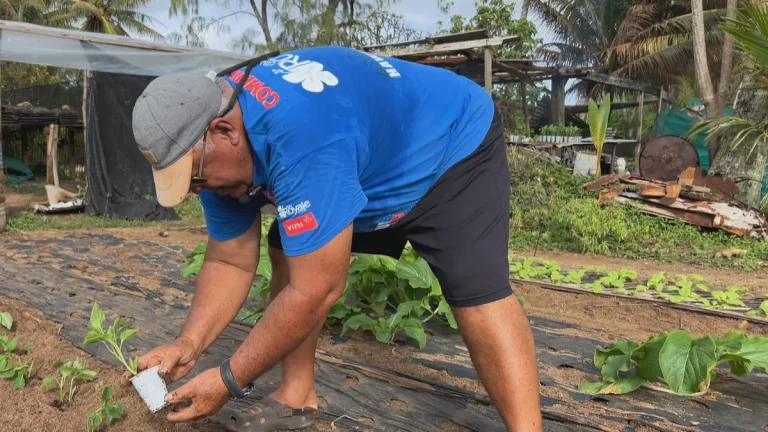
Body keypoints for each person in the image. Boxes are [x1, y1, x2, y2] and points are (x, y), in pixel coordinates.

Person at [131, 45, 542, 431]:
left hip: (449, 143)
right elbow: (228, 260)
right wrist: (190, 341)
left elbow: (316, 289)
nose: (199, 190)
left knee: (475, 290)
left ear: (225, 131)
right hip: (364, 157)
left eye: (196, 178)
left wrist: (228, 380)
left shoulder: (301, 134)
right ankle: (296, 394)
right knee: (289, 249)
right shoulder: (213, 141)